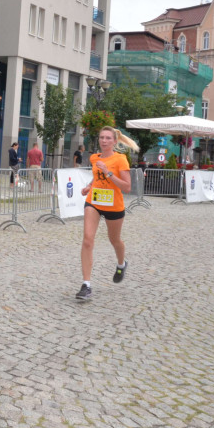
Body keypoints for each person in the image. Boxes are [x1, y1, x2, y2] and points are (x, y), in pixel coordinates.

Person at [76, 126, 139, 301]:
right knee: (88, 239)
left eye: (108, 138)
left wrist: (108, 172)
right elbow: (96, 177)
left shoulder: (120, 159)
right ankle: (86, 285)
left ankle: (121, 264)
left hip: (114, 206)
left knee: (115, 240)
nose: (104, 141)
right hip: (94, 202)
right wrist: (89, 186)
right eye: (102, 137)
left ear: (114, 141)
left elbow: (126, 187)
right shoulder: (94, 158)